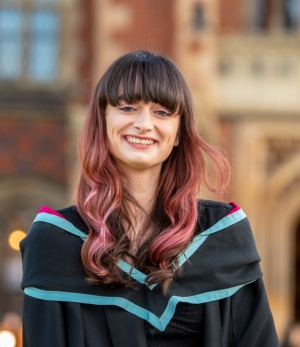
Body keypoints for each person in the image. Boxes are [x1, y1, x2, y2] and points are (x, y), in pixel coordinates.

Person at [20, 50, 279, 347]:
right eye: (128, 108)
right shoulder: (56, 242)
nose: (144, 124)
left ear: (179, 132)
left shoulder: (222, 238)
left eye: (162, 112)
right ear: (102, 121)